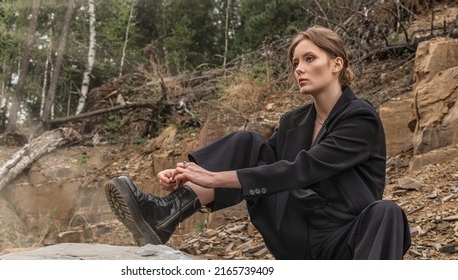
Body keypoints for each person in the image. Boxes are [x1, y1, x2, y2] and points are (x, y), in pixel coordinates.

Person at [105, 25, 411, 260]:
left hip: (343, 239)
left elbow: (303, 170)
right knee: (248, 142)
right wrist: (187, 175)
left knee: (388, 212)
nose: (299, 69)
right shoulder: (293, 122)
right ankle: (166, 212)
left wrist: (215, 177)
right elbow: (259, 163)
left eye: (309, 59)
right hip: (293, 230)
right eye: (295, 63)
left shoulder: (360, 118)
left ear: (336, 64)